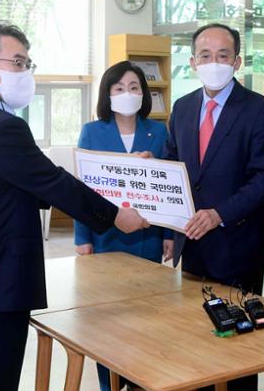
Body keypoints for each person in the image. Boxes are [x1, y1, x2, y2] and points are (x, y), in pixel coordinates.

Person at [0, 23, 148, 391]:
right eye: (17, 62)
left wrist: (118, 177)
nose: (25, 73)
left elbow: (29, 183)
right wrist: (116, 216)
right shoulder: (0, 126)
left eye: (28, 63)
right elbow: (52, 182)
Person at [164, 23, 264, 391]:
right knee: (198, 335)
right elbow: (173, 171)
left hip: (238, 243)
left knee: (241, 340)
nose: (214, 62)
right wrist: (169, 229)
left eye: (223, 55)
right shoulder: (182, 108)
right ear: (194, 62)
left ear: (238, 61)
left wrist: (220, 214)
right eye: (206, 55)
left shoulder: (259, 110)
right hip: (192, 243)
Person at [73, 60, 174, 391]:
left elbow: (168, 187)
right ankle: (109, 384)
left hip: (148, 237)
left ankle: (141, 381)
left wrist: (171, 235)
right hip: (105, 238)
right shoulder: (93, 131)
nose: (127, 93)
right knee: (109, 321)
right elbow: (82, 189)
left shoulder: (158, 131)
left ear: (143, 93)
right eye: (119, 88)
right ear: (108, 93)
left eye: (133, 87)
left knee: (147, 319)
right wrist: (82, 238)